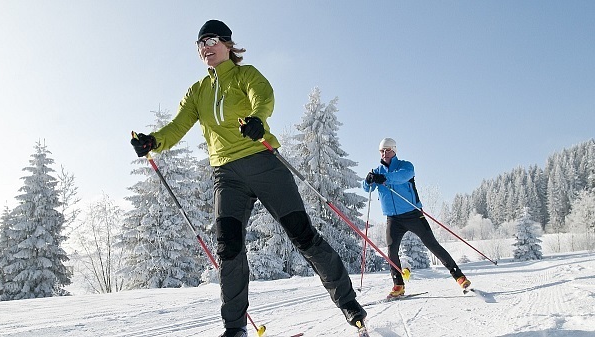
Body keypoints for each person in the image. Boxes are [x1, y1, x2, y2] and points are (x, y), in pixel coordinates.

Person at [130, 20, 366, 337]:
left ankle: (349, 305)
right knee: (228, 248)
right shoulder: (197, 92)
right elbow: (176, 127)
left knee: (303, 235)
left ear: (228, 44)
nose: (205, 47)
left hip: (263, 163)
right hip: (227, 175)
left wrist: (256, 119)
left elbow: (263, 97)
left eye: (211, 40)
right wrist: (153, 141)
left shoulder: (245, 75)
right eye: (200, 43)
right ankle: (234, 328)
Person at [362, 137, 471, 299]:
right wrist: (368, 180)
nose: (385, 153)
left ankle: (459, 277)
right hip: (393, 218)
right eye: (382, 151)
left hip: (412, 214)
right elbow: (367, 189)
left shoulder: (405, 166)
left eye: (388, 150)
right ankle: (398, 285)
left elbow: (402, 177)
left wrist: (385, 178)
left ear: (394, 151)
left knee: (432, 244)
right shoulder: (377, 171)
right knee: (391, 251)